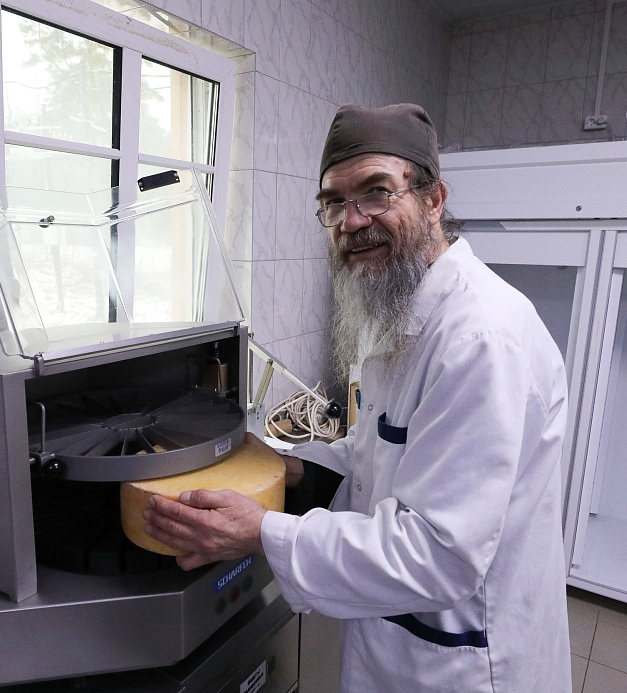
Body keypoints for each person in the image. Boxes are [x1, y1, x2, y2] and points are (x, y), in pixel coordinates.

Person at [142, 103, 572, 693]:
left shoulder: (480, 340)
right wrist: (289, 466)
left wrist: (262, 532)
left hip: (465, 664)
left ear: (434, 199)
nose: (351, 220)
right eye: (334, 202)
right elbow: (381, 453)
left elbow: (437, 554)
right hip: (402, 643)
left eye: (376, 192)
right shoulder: (400, 307)